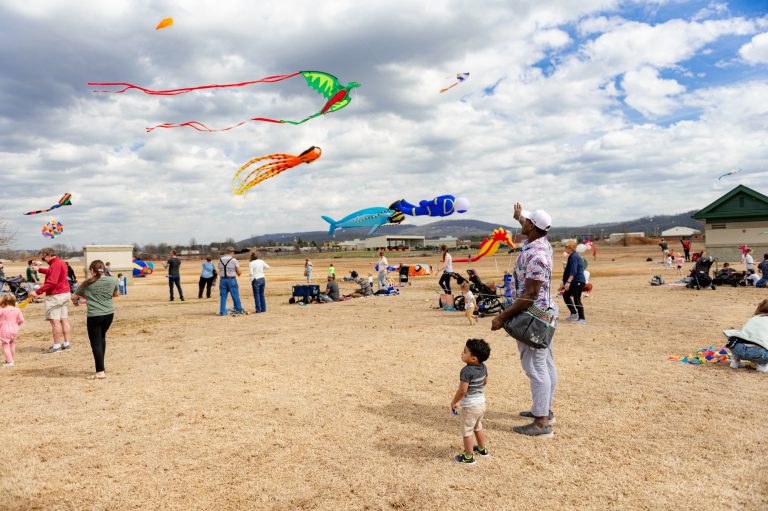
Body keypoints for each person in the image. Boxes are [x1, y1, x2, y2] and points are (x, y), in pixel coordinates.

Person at [490, 204, 557, 437]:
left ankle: (541, 423)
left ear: (532, 226)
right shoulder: (541, 243)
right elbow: (531, 225)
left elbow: (530, 295)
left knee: (536, 367)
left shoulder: (537, 255)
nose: (522, 223)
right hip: (542, 312)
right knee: (546, 364)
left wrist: (502, 316)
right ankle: (544, 410)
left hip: (535, 316)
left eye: (525, 221)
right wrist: (520, 216)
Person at [71, 260, 118, 379]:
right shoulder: (113, 280)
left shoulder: (87, 283)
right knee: (101, 338)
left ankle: (100, 371)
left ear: (91, 270)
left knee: (96, 342)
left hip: (94, 316)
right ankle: (101, 367)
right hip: (109, 314)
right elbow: (116, 294)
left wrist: (76, 302)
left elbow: (74, 297)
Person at [450, 338, 491, 464]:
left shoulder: (466, 371)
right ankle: (482, 449)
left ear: (473, 358)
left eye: (465, 351)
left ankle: (468, 456)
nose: (462, 353)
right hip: (481, 403)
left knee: (467, 430)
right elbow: (485, 381)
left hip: (471, 407)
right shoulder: (483, 367)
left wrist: (454, 402)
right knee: (478, 427)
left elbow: (462, 390)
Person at [31, 248, 72, 354]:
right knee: (64, 319)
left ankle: (57, 345)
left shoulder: (55, 264)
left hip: (55, 296)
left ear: (48, 255)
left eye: (44, 258)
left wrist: (37, 292)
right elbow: (51, 272)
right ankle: (67, 344)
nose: (44, 260)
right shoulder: (60, 262)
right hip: (65, 294)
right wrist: (39, 270)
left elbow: (52, 282)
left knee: (55, 321)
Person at [726, 299, 768, 373]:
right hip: (759, 354)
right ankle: (762, 365)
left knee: (737, 339)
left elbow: (740, 333)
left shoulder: (753, 319)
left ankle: (735, 361)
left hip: (738, 349)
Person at [562, 240, 586, 323]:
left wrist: (568, 282)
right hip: (574, 281)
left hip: (577, 281)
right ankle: (574, 313)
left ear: (570, 248)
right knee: (566, 295)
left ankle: (582, 318)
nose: (564, 248)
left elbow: (573, 271)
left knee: (577, 299)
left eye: (566, 247)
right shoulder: (572, 256)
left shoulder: (574, 257)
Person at [0, 294, 24, 367]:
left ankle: (9, 362)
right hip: (14, 330)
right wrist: (16, 325)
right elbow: (21, 320)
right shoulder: (17, 310)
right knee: (12, 344)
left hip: (4, 330)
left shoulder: (2, 310)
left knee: (5, 346)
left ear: (3, 302)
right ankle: (11, 359)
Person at [218, 247, 244, 316]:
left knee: (223, 296)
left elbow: (219, 269)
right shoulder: (234, 260)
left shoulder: (220, 260)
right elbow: (239, 272)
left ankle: (222, 311)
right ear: (232, 252)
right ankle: (238, 309)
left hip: (222, 280)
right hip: (231, 279)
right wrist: (238, 273)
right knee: (235, 295)